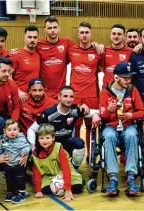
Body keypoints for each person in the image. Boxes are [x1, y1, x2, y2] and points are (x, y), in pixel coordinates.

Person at [99, 62, 144, 196]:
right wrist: (108, 110)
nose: (128, 80)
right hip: (111, 126)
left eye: (129, 78)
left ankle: (131, 177)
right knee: (108, 136)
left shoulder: (132, 90)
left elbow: (142, 111)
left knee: (132, 135)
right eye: (125, 78)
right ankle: (113, 177)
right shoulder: (105, 92)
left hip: (128, 124)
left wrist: (132, 115)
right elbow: (102, 115)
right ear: (116, 77)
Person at [36, 16, 103, 100]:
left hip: (62, 91)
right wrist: (15, 52)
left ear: (59, 28)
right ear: (45, 30)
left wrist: (96, 44)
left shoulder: (67, 43)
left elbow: (84, 48)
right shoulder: (38, 44)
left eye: (55, 27)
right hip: (43, 90)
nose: (52, 30)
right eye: (49, 28)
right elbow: (27, 50)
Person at [27, 86, 92, 169]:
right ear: (59, 97)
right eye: (65, 96)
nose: (68, 99)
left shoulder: (76, 110)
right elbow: (31, 130)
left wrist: (95, 114)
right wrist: (32, 146)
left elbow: (92, 112)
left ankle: (73, 168)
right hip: (50, 146)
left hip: (65, 145)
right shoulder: (49, 113)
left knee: (78, 142)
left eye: (71, 96)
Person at [68, 21, 103, 157]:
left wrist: (99, 45)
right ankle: (74, 155)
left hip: (92, 95)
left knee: (91, 126)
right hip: (74, 96)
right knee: (74, 127)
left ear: (91, 34)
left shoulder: (97, 51)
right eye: (81, 32)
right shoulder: (71, 50)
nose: (84, 35)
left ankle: (92, 155)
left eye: (86, 32)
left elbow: (103, 68)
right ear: (78, 35)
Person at [32, 124, 83, 202]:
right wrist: (38, 190)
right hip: (49, 175)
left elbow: (65, 169)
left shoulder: (59, 148)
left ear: (53, 138)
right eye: (41, 138)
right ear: (38, 139)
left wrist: (68, 189)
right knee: (45, 190)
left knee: (78, 188)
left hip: (65, 172)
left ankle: (75, 182)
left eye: (47, 138)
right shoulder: (35, 153)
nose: (44, 141)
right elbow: (37, 172)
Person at [0, 119, 31, 204]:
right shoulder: (3, 139)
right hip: (8, 164)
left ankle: (22, 194)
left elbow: (28, 146)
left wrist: (24, 151)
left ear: (18, 130)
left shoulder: (21, 138)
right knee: (9, 180)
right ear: (4, 131)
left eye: (14, 129)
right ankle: (10, 192)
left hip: (19, 164)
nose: (12, 132)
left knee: (20, 180)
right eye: (9, 130)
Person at [10, 25, 40, 103]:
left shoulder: (38, 55)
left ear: (38, 39)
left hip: (34, 97)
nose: (32, 40)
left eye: (35, 37)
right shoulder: (16, 54)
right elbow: (7, 76)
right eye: (29, 37)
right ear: (24, 38)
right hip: (19, 97)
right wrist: (18, 91)